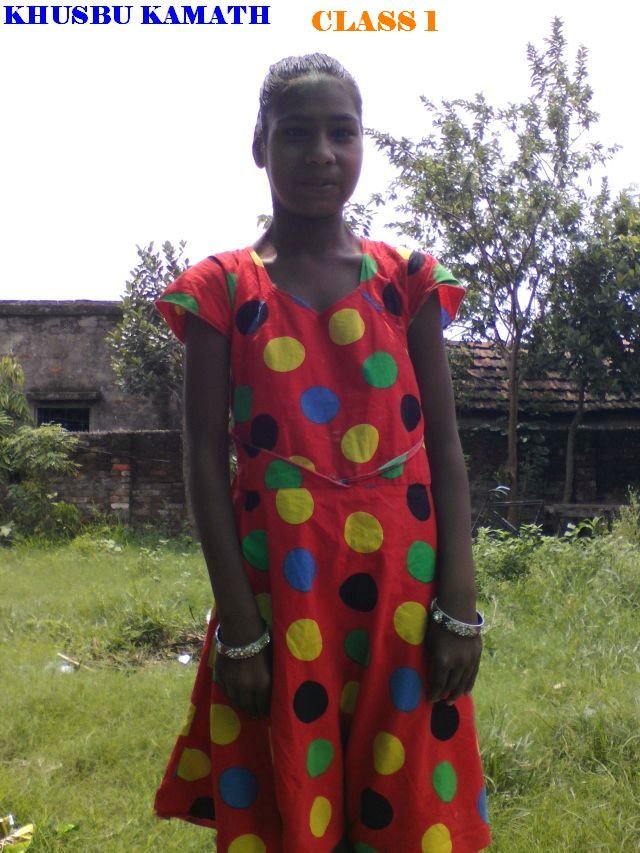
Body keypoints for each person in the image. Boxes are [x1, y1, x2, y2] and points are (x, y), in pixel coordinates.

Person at [154, 53, 490, 853]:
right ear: (259, 144)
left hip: (403, 597)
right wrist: (241, 630)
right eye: (296, 133)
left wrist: (459, 604)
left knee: (404, 803)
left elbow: (444, 445)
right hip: (279, 591)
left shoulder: (407, 281)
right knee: (291, 799)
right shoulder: (221, 289)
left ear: (363, 142)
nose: (322, 154)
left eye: (342, 133)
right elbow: (203, 462)